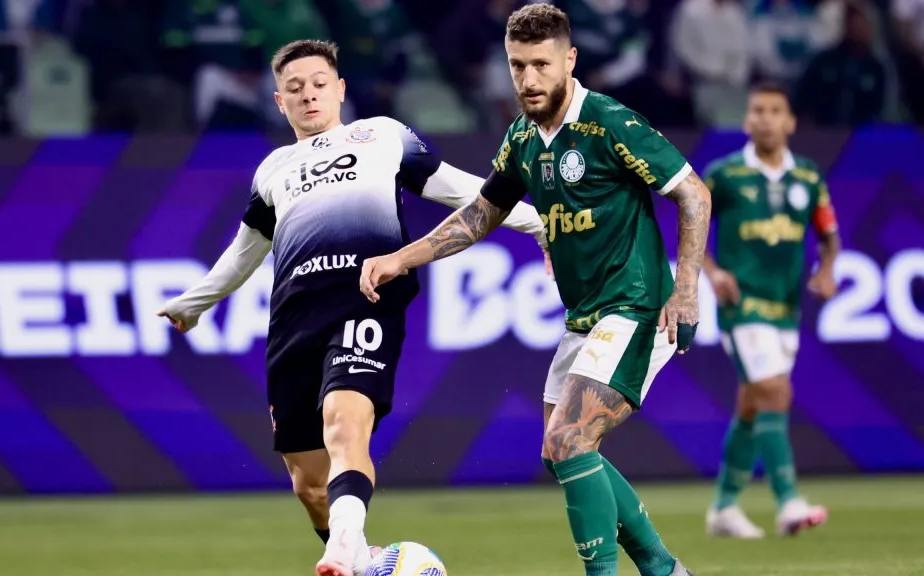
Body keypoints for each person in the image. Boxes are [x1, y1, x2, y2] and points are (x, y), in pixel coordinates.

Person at [156, 39, 547, 576]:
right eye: (295, 89)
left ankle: (341, 549)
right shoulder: (273, 169)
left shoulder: (381, 135)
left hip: (366, 297)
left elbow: (465, 192)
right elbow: (242, 253)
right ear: (279, 101)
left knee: (345, 425)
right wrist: (192, 305)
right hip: (293, 318)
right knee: (308, 482)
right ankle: (362, 561)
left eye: (319, 84)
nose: (309, 96)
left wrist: (539, 223)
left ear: (339, 89)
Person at [359, 5, 708, 575]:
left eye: (541, 64)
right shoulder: (522, 136)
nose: (528, 79)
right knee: (559, 452)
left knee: (571, 439)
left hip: (638, 307)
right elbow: (478, 215)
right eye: (517, 66)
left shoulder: (609, 122)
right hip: (584, 317)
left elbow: (693, 193)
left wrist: (686, 289)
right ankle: (666, 571)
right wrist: (401, 258)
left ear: (570, 60)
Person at [703, 83, 838, 539]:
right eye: (757, 110)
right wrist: (712, 271)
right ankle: (789, 503)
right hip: (741, 306)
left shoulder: (808, 178)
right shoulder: (725, 174)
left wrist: (827, 271)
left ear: (790, 122)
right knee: (774, 391)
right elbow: (691, 223)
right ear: (746, 121)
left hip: (785, 308)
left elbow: (828, 234)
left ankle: (723, 508)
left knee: (752, 403)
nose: (764, 118)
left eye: (774, 110)